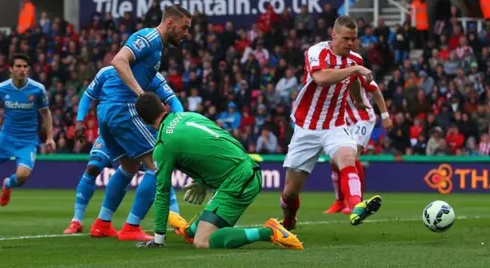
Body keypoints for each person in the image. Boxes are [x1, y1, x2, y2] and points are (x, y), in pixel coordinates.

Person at [133, 93, 303, 250]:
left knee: (203, 241)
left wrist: (158, 239)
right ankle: (187, 230)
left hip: (237, 181)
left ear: (144, 121)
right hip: (245, 167)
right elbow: (217, 143)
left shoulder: (163, 145)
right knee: (193, 234)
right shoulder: (189, 116)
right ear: (164, 106)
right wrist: (204, 181)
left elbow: (162, 191)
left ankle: (269, 231)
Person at [88, 5, 192, 241]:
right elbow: (119, 60)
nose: (186, 33)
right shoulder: (149, 38)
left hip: (108, 109)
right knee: (158, 165)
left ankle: (103, 222)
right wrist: (140, 94)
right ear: (170, 24)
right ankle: (131, 227)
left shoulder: (156, 49)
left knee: (129, 167)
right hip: (122, 107)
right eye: (184, 28)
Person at [281, 16, 382, 231]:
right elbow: (321, 78)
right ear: (333, 34)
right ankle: (289, 221)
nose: (350, 43)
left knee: (348, 157)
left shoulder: (355, 59)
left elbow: (353, 82)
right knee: (290, 193)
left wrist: (357, 99)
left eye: (353, 39)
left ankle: (356, 205)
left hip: (335, 125)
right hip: (306, 127)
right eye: (346, 38)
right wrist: (355, 70)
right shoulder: (317, 52)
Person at [63, 67, 184, 234]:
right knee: (95, 167)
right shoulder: (107, 72)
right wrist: (79, 120)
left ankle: (103, 222)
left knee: (134, 168)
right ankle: (78, 220)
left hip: (132, 129)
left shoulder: (150, 73)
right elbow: (87, 96)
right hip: (115, 126)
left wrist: (177, 122)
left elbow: (173, 100)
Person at [0, 53, 55, 211]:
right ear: (11, 69)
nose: (22, 70)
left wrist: (50, 137)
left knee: (22, 176)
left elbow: (46, 113)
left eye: (25, 67)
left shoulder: (38, 89)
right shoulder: (1, 89)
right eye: (18, 66)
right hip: (6, 138)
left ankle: (8, 184)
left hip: (27, 141)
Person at [324, 79, 393, 214]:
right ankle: (339, 201)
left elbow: (376, 91)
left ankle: (357, 202)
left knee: (352, 156)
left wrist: (385, 116)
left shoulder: (356, 70)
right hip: (343, 122)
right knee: (333, 161)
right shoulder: (329, 74)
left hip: (363, 118)